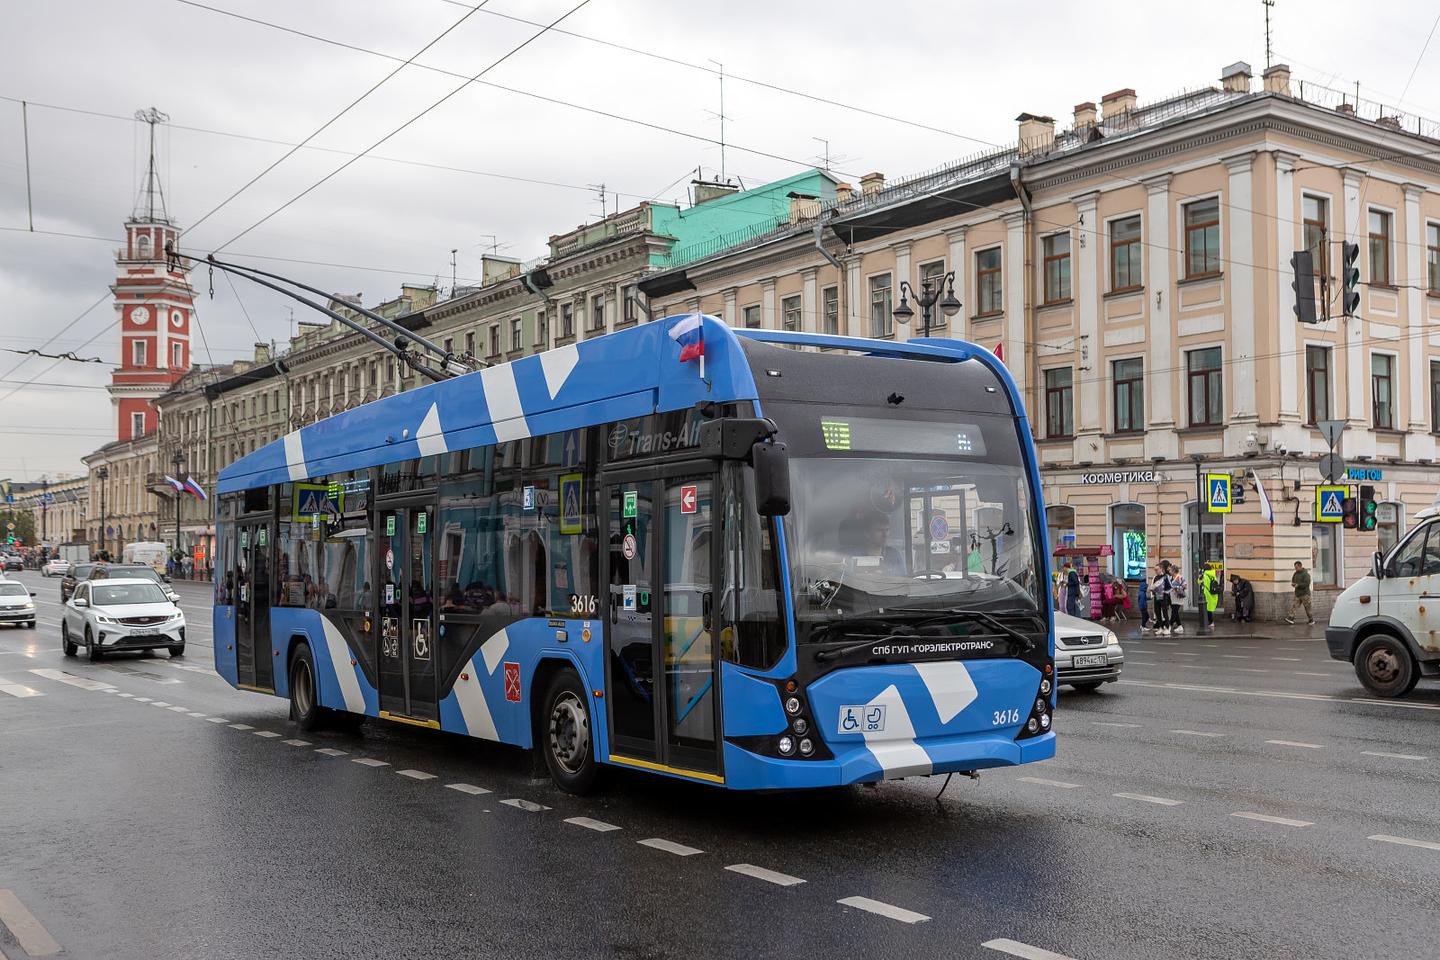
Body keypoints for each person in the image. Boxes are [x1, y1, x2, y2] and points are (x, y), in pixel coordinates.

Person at [1286, 560, 1314, 625]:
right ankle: (1291, 618)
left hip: (1305, 594)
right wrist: (1293, 583)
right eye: (1295, 567)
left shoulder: (1306, 574)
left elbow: (1307, 584)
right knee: (1294, 606)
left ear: (1300, 566)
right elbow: (1293, 579)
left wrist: (1298, 585)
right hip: (1297, 594)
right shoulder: (1295, 573)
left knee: (1307, 608)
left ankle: (1311, 620)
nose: (1295, 569)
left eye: (1296, 567)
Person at [1150, 566, 1172, 636]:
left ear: (1161, 569)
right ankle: (1161, 627)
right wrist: (1152, 590)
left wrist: (1164, 592)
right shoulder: (1155, 578)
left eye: (1157, 569)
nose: (1156, 571)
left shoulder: (1165, 577)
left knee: (1165, 613)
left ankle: (1168, 628)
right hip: (1156, 597)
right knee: (1157, 613)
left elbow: (1170, 587)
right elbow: (1153, 586)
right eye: (1155, 570)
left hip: (1164, 598)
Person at [1200, 565, 1220, 632]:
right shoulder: (1213, 574)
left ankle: (1210, 622)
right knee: (1210, 609)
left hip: (1207, 594)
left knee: (1207, 609)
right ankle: (1211, 622)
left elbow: (1199, 582)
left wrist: (1200, 577)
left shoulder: (1204, 575)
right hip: (1213, 594)